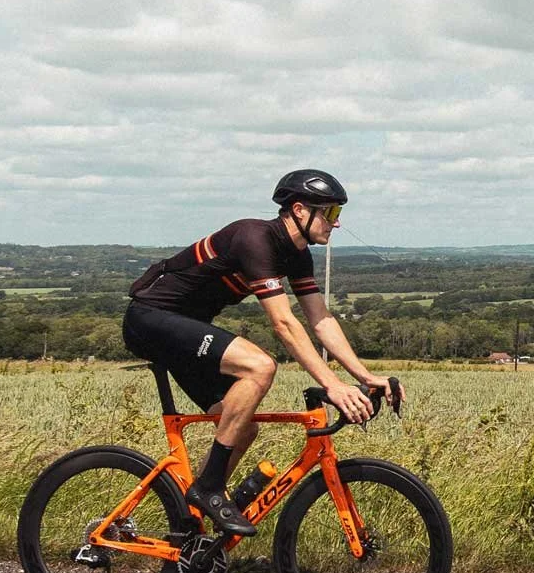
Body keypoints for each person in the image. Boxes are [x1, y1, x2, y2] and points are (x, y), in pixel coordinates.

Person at [123, 170, 387, 536]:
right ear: (298, 210)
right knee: (259, 366)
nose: (336, 223)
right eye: (329, 213)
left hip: (183, 331)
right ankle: (209, 489)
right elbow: (284, 324)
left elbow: (321, 320)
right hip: (151, 320)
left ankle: (188, 532)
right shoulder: (254, 238)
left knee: (242, 429)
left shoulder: (296, 256)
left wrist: (365, 376)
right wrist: (333, 385)